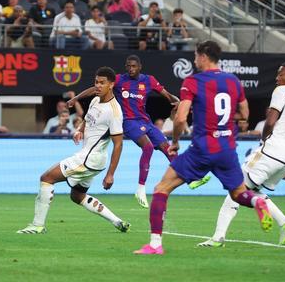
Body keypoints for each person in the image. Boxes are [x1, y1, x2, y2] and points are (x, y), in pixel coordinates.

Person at [134, 41, 273, 255]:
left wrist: (175, 142)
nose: (194, 60)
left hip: (202, 148)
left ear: (204, 56)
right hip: (227, 149)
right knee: (238, 194)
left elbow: (180, 118)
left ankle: (155, 244)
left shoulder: (192, 81)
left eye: (195, 56)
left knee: (161, 189)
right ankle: (257, 202)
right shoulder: (233, 81)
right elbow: (245, 114)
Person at [198, 63, 285, 248]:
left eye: (281, 74)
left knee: (235, 189)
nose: (277, 78)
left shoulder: (283, 90)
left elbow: (270, 121)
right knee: (251, 191)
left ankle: (218, 237)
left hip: (272, 149)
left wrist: (264, 141)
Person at [68, 55, 208, 209]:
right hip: (128, 121)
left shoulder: (148, 80)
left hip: (145, 121)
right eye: (128, 66)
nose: (130, 69)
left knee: (167, 148)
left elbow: (167, 95)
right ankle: (141, 188)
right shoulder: (120, 79)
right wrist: (76, 98)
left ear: (140, 66)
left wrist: (177, 102)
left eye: (133, 66)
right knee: (147, 147)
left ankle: (191, 178)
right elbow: (95, 90)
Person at [17, 67, 130, 234]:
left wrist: (111, 174)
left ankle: (37, 225)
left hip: (89, 159)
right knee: (77, 196)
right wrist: (80, 130)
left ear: (111, 85)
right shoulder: (95, 101)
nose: (98, 86)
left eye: (102, 83)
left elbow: (118, 144)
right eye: (96, 82)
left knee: (47, 178)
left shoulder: (114, 112)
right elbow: (87, 119)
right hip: (92, 159)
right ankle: (117, 221)